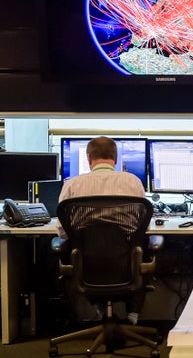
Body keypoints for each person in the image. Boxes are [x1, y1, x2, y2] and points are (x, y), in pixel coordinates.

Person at [56, 136, 147, 326]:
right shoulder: (133, 182)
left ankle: (94, 312)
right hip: (125, 262)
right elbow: (143, 226)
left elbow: (62, 232)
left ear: (89, 158)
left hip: (86, 264)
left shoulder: (72, 185)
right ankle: (133, 317)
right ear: (115, 157)